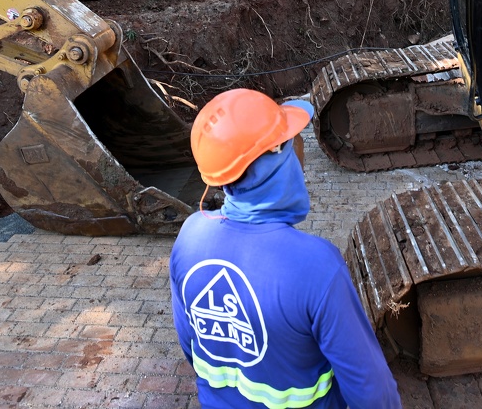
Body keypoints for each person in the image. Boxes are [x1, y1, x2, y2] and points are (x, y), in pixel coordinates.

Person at [169, 88, 401, 409]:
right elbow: (371, 389)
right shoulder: (316, 266)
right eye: (291, 141)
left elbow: (190, 345)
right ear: (276, 154)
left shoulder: (190, 236)